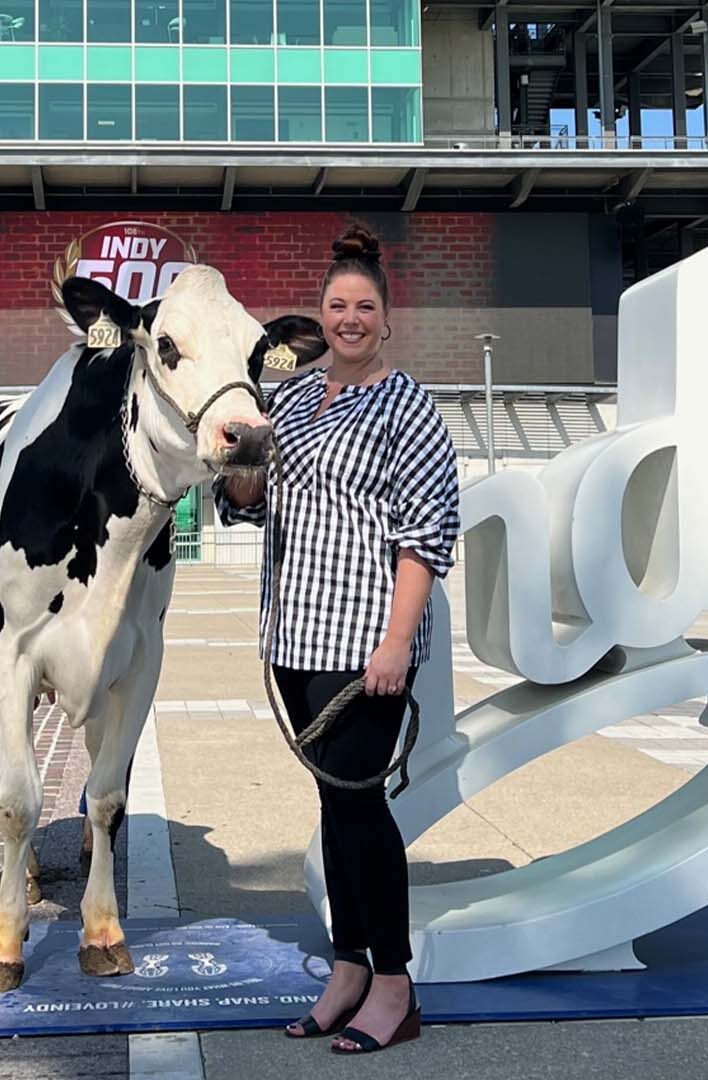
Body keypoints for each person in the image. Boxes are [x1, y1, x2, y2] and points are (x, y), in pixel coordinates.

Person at [215, 224, 461, 1055]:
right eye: (337, 306)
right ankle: (347, 969)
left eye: (364, 307)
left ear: (387, 320)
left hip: (364, 645)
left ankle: (395, 986)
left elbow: (427, 535)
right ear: (321, 318)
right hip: (294, 632)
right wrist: (240, 474)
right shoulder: (287, 400)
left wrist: (395, 646)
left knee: (360, 813)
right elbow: (249, 501)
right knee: (334, 809)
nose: (350, 318)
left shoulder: (408, 406)